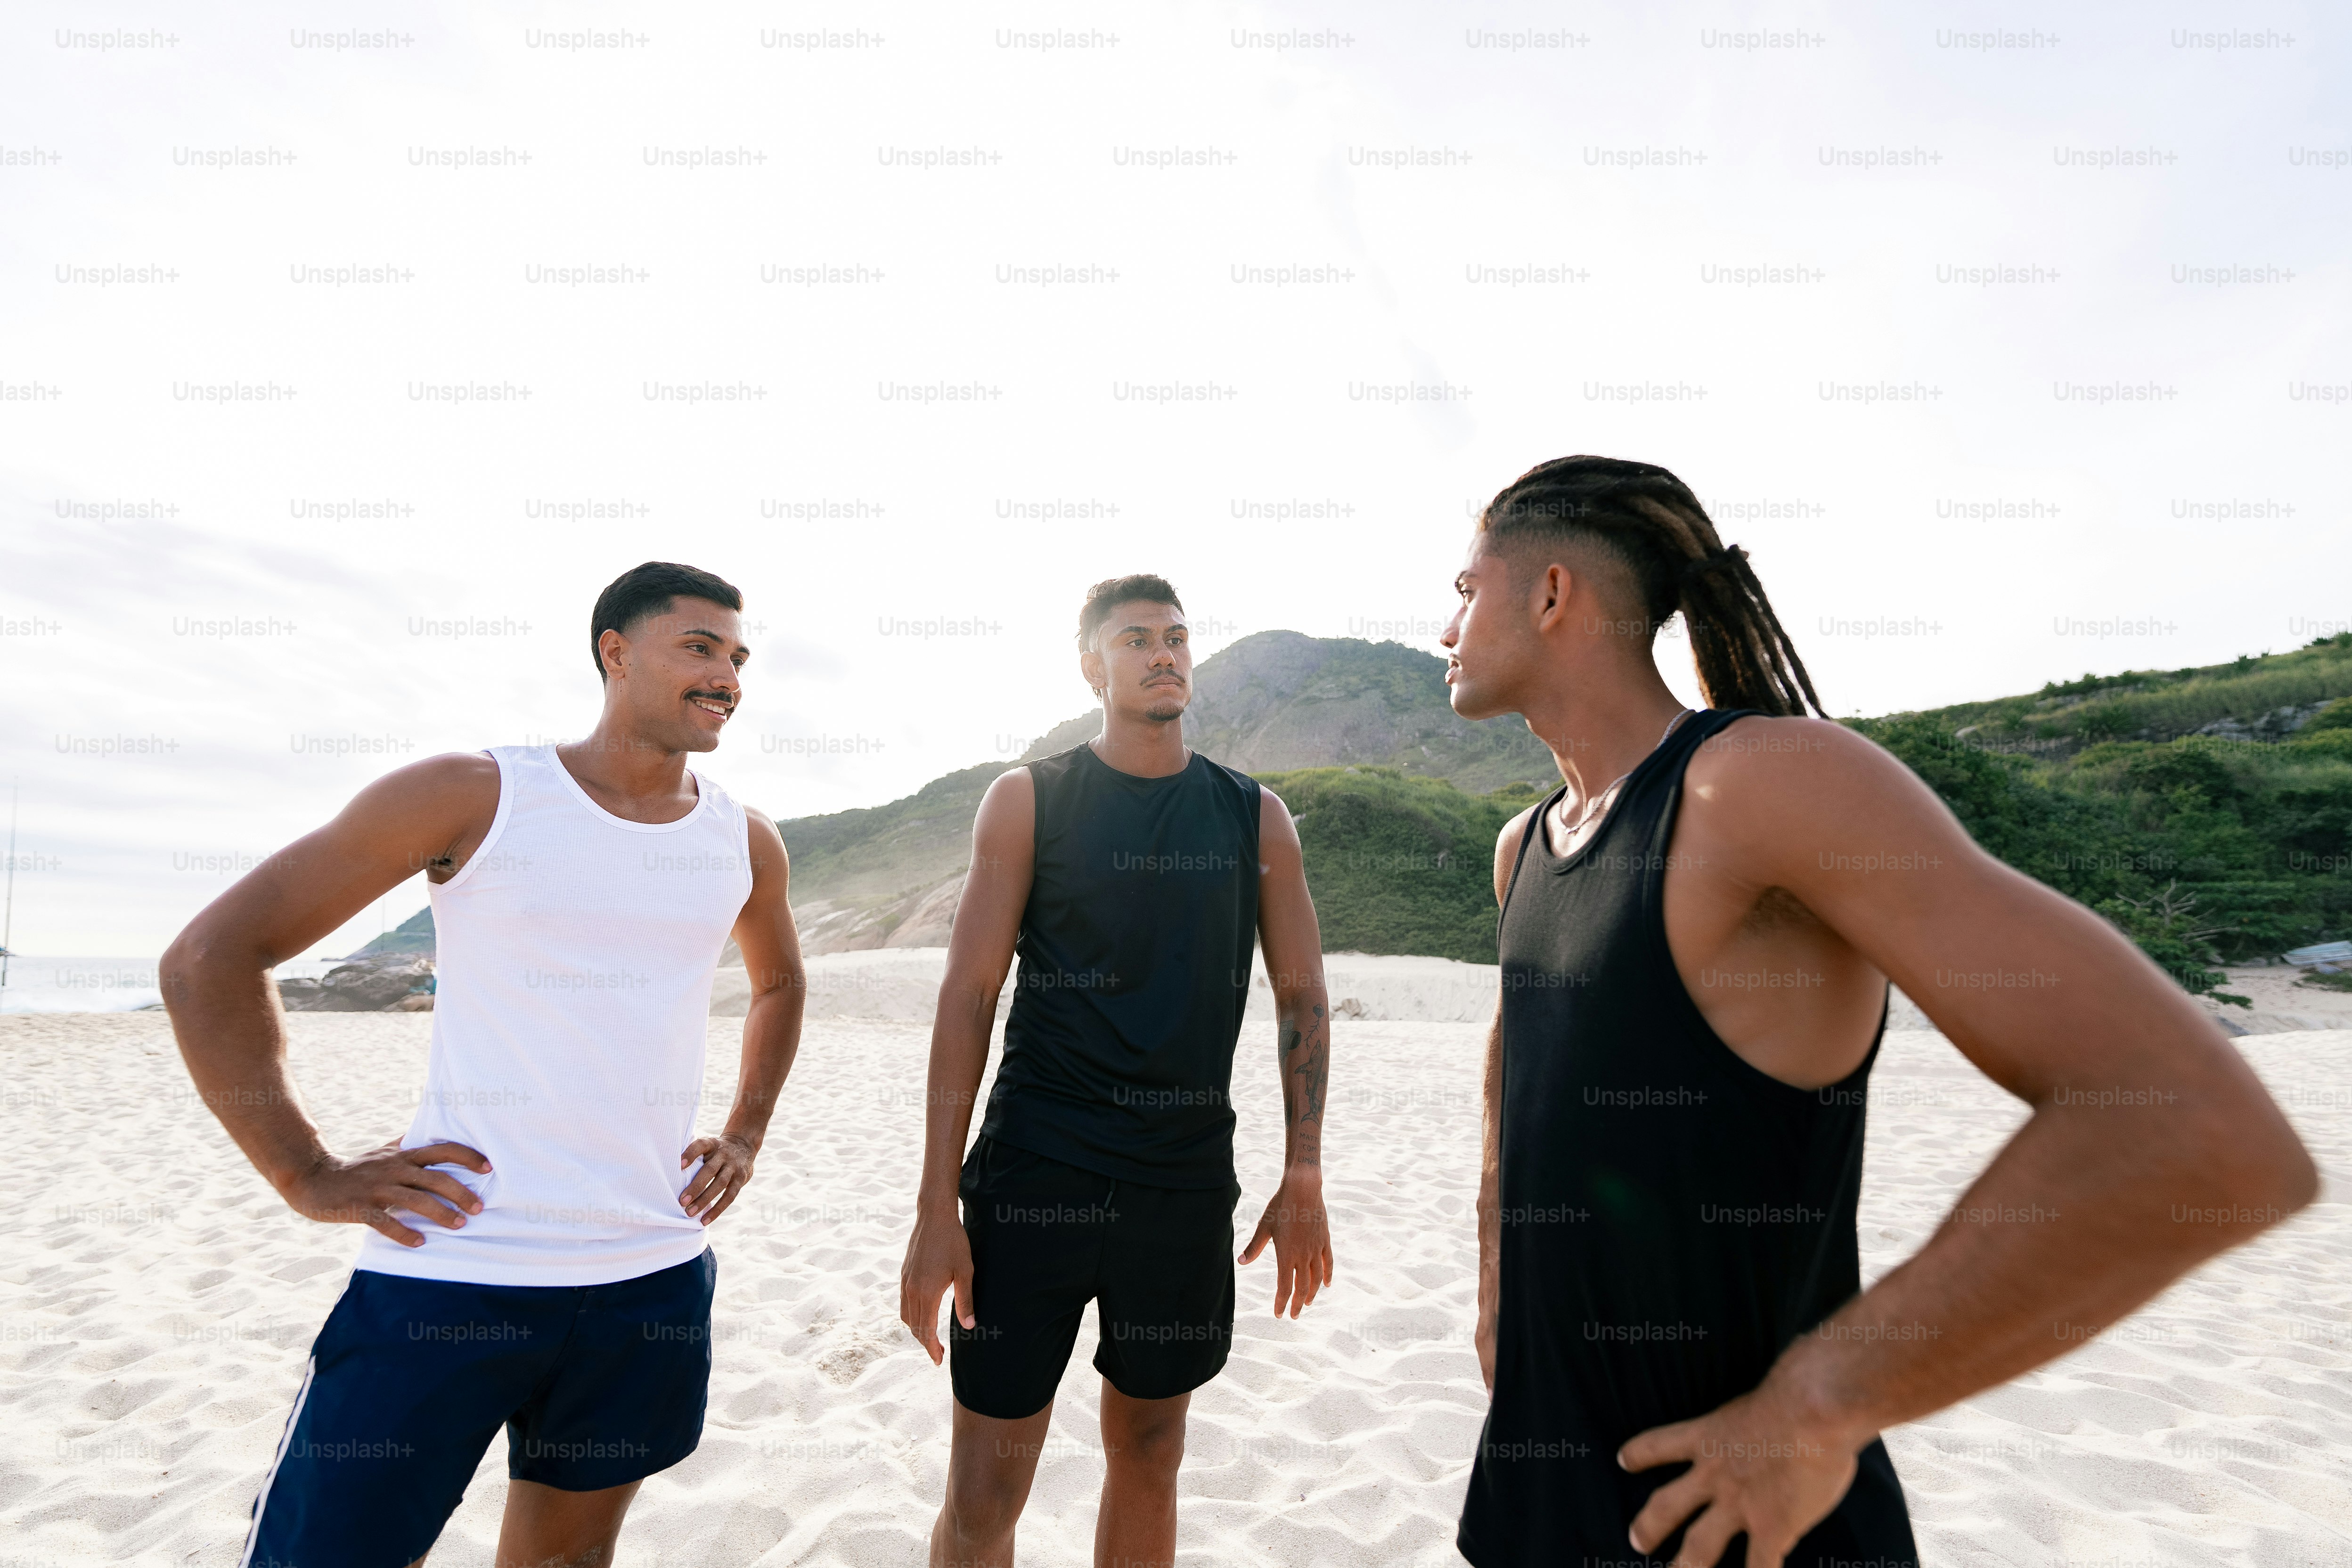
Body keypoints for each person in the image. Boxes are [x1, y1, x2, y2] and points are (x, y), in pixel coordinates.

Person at [1440, 457, 2317, 1568]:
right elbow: (1520, 1041)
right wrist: (1496, 1263)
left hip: (1743, 1517)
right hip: (1540, 1487)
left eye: (1465, 589)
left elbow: (2195, 1126)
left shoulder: (1757, 783)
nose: (1446, 625)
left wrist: (1819, 1406)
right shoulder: (1526, 844)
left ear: (1552, 593)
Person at [162, 561, 807, 1568]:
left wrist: (746, 1133)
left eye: (738, 656)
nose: (727, 673)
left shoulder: (745, 839)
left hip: (650, 1274)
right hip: (454, 1270)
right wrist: (306, 1172)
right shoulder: (474, 793)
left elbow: (779, 985)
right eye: (699, 647)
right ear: (615, 652)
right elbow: (210, 959)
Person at [898, 573, 1335, 1568]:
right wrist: (937, 1205)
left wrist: (1303, 1169)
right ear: (1092, 664)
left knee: (1150, 1445)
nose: (1164, 653)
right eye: (1136, 638)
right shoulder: (1030, 799)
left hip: (1179, 1186)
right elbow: (967, 999)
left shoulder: (1253, 816)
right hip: (1031, 1177)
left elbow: (1304, 998)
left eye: (1177, 637)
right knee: (987, 1483)